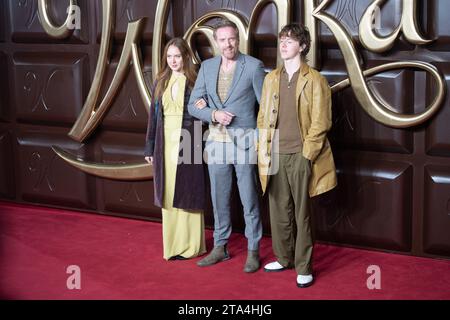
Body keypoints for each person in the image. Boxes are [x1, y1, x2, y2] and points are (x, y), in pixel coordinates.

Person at [257, 24, 337, 287]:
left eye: (289, 41)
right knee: (279, 210)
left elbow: (321, 121)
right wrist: (262, 147)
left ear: (302, 46)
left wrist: (307, 154)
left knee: (302, 214)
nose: (283, 45)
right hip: (275, 154)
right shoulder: (270, 79)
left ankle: (304, 266)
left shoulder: (315, 80)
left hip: (302, 155)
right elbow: (262, 117)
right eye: (281, 40)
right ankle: (283, 257)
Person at [188, 19, 266, 273]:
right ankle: (220, 248)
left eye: (231, 38)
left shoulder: (254, 66)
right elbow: (193, 104)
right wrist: (212, 113)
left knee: (249, 200)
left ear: (238, 39)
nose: (228, 43)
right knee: (219, 199)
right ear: (217, 42)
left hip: (244, 144)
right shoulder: (207, 67)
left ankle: (253, 250)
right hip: (216, 143)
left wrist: (260, 141)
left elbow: (265, 109)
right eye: (222, 40)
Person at [144, 38, 206, 260]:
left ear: (186, 57)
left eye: (177, 56)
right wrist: (149, 147)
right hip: (164, 143)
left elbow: (204, 111)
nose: (173, 61)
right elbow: (153, 116)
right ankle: (172, 246)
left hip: (189, 139)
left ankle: (191, 246)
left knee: (187, 191)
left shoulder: (195, 80)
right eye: (169, 56)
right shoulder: (161, 80)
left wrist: (204, 106)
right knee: (169, 192)